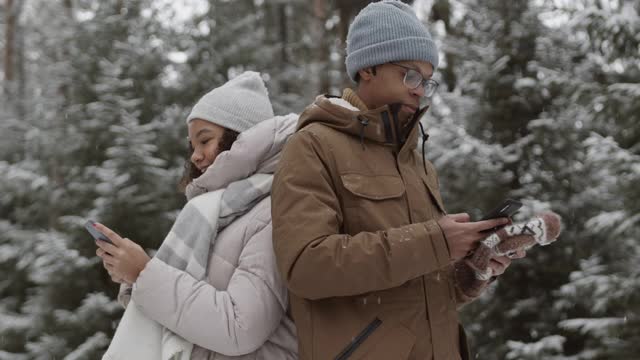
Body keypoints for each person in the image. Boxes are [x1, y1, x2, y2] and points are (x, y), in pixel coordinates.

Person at [271, 2, 524, 359]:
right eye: (411, 75)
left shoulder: (417, 161)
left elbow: (414, 283)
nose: (421, 90)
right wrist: (435, 243)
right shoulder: (312, 146)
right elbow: (306, 267)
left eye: (428, 80)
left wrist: (466, 277)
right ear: (368, 68)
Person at [95, 71, 298, 359]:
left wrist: (145, 273)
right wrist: (135, 275)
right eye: (193, 146)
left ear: (242, 139)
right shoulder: (223, 212)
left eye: (205, 141)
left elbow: (240, 327)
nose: (195, 156)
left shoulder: (272, 210)